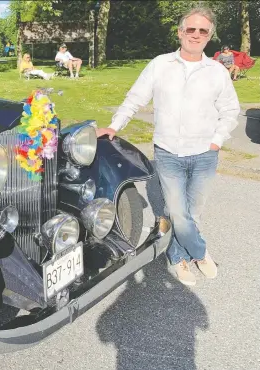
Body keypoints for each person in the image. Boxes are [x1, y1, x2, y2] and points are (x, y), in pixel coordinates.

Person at [95, 7, 240, 286]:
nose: (195, 35)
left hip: (204, 154)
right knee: (176, 211)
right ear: (180, 32)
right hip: (168, 153)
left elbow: (231, 110)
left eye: (203, 31)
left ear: (209, 37)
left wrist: (217, 140)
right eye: (191, 29)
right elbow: (135, 98)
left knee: (193, 212)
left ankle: (178, 254)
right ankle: (198, 252)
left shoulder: (217, 71)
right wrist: (114, 126)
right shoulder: (160, 64)